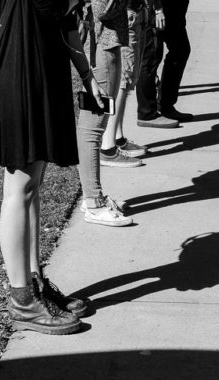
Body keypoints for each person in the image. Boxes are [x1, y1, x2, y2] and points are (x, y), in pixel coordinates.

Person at [0, 0, 103, 334]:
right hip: (19, 65)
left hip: (42, 65)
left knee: (32, 186)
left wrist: (86, 73)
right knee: (19, 187)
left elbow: (62, 19)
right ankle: (21, 296)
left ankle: (33, 280)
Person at [73, 0, 135, 224]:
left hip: (104, 43)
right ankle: (94, 202)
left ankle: (91, 197)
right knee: (93, 124)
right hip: (100, 45)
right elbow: (103, 8)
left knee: (95, 123)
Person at [98, 0, 151, 167]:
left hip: (133, 12)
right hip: (126, 15)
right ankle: (108, 148)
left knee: (126, 81)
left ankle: (117, 138)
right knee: (122, 82)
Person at [136, 0, 193, 128]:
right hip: (156, 7)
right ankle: (146, 113)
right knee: (151, 57)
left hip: (174, 8)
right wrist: (157, 9)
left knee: (181, 50)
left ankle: (166, 105)